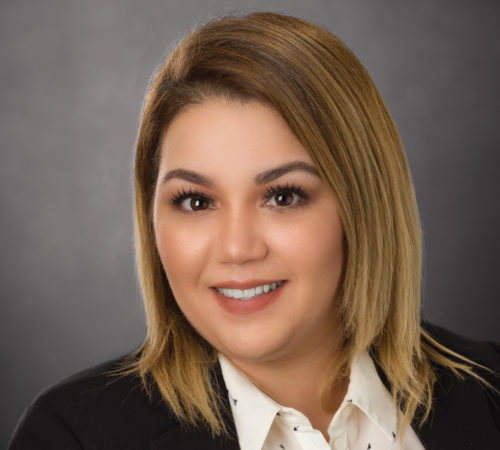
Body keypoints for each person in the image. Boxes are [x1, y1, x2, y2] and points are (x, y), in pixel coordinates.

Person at [9, 11, 499, 450]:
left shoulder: (491, 391)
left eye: (283, 196)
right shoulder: (71, 436)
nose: (237, 249)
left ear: (363, 206)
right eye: (196, 201)